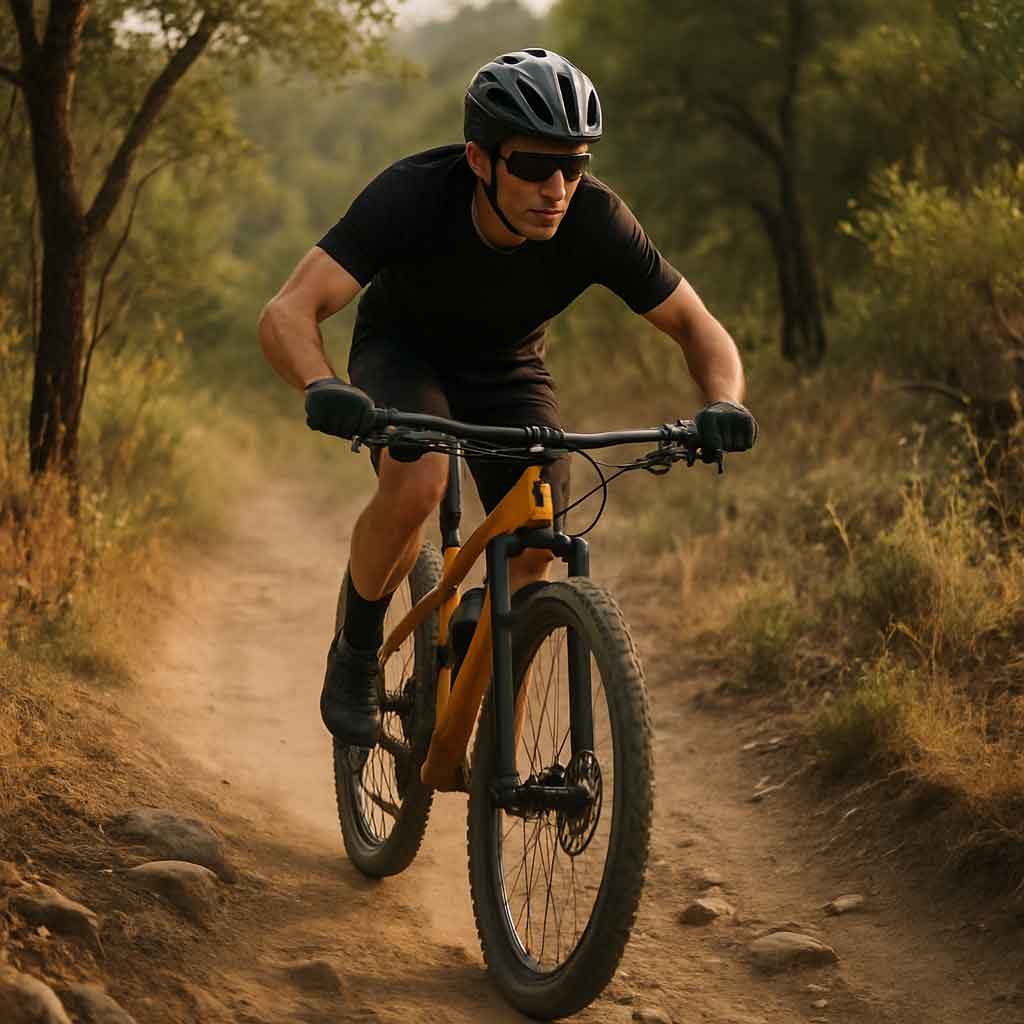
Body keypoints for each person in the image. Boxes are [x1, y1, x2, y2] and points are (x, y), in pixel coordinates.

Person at [258, 48, 757, 749]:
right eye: (532, 165)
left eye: (574, 165)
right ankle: (357, 649)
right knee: (420, 480)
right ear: (480, 159)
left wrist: (725, 403)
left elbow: (696, 325)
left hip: (508, 370)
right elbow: (288, 311)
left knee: (539, 534)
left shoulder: (596, 219)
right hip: (405, 352)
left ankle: (486, 686)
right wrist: (322, 385)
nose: (556, 186)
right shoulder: (411, 196)